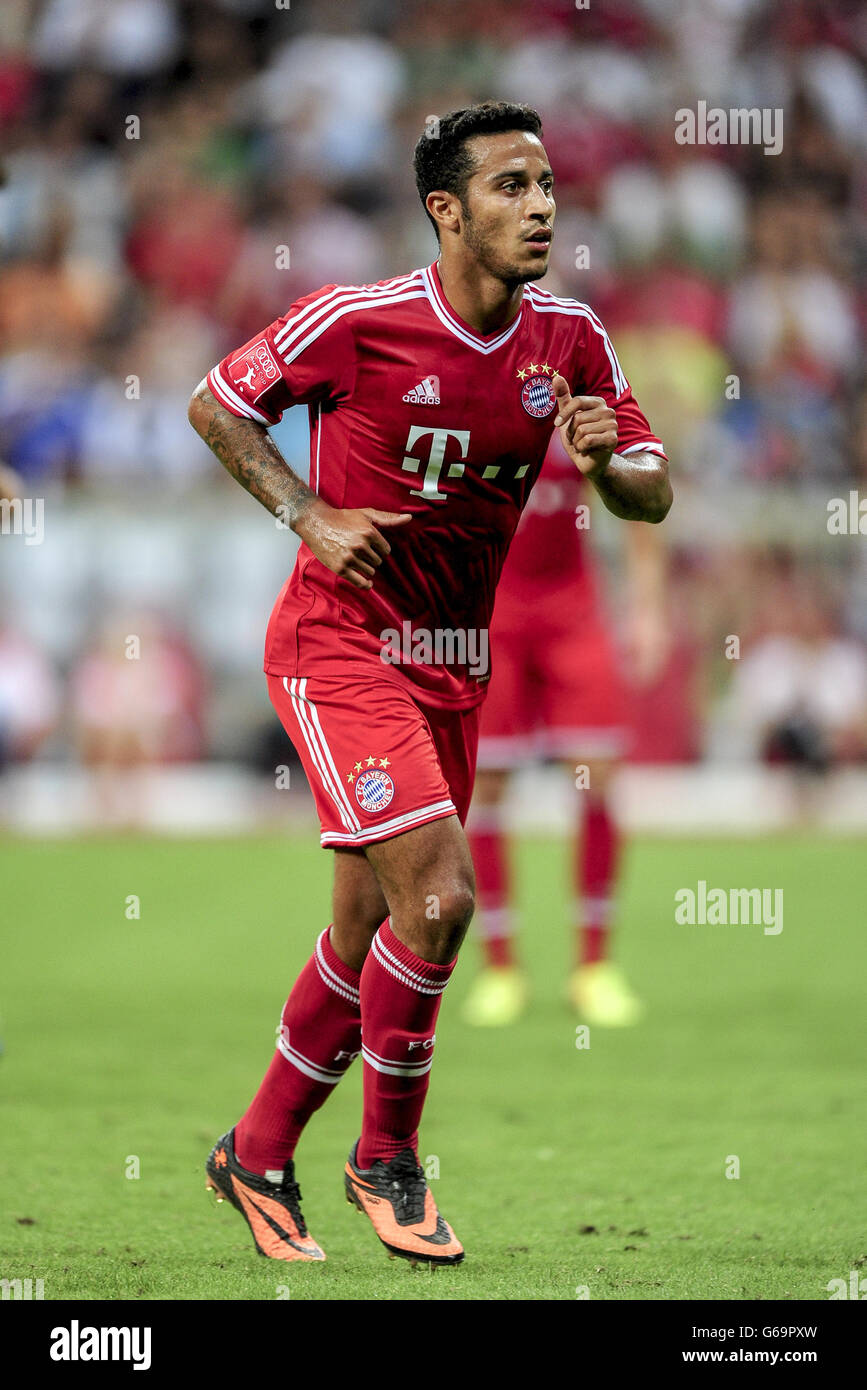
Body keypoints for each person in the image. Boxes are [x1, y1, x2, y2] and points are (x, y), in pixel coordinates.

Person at [188, 101, 671, 1268]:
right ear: (445, 211)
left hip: (454, 666)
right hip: (337, 642)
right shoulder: (358, 322)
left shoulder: (571, 341)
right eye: (511, 187)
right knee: (442, 898)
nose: (543, 205)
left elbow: (652, 488)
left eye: (547, 183)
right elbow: (215, 403)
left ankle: (254, 1151)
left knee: (369, 927)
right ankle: (386, 1159)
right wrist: (309, 511)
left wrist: (614, 469)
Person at [463, 430, 669, 1028]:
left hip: (573, 610)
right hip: (490, 609)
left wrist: (647, 608)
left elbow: (638, 497)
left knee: (596, 779)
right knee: (488, 784)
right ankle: (501, 969)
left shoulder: (573, 396)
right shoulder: (475, 389)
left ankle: (593, 967)